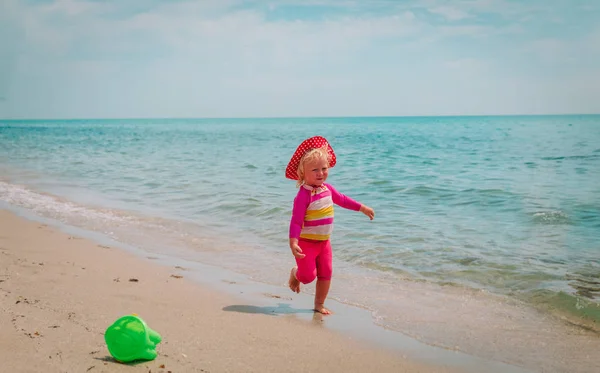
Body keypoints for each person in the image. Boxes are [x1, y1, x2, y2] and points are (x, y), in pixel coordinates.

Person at [285, 136, 375, 315]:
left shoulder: (328, 189)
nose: (320, 173)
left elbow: (342, 199)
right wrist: (293, 243)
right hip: (307, 243)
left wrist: (361, 208)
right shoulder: (303, 195)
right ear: (303, 172)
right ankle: (296, 273)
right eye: (315, 170)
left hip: (324, 243)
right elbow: (296, 221)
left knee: (326, 273)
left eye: (324, 168)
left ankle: (319, 304)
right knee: (308, 276)